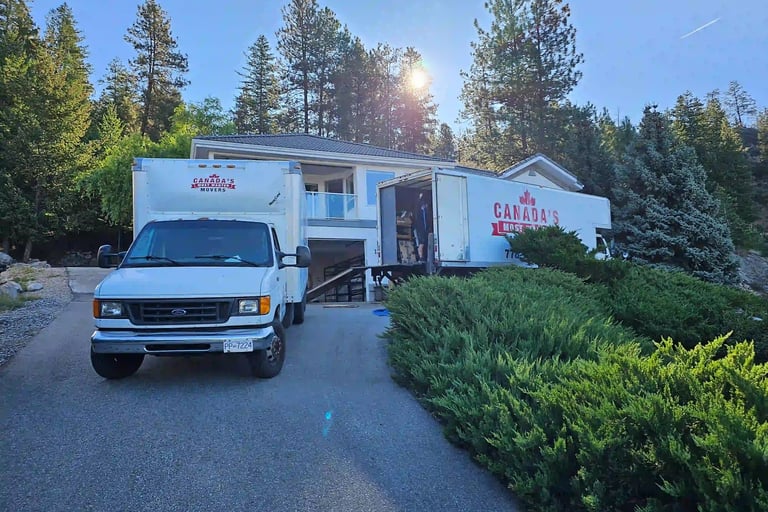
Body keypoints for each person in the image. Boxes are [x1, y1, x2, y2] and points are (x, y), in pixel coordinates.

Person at [413, 191, 432, 261]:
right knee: (421, 243)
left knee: (425, 242)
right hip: (420, 228)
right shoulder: (418, 208)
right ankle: (421, 257)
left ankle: (424, 256)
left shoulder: (426, 210)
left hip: (425, 228)